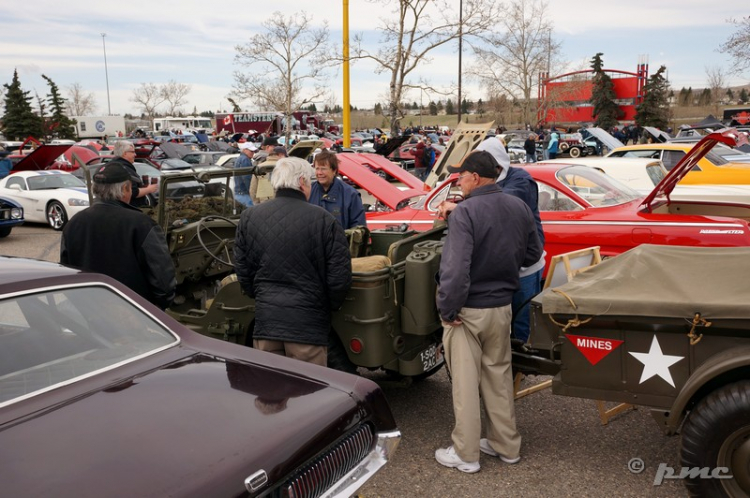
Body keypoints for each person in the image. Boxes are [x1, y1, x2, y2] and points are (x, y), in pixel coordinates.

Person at [434, 151, 543, 474]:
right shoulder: (517, 206)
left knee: (465, 385)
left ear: (476, 178)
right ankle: (506, 445)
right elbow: (533, 253)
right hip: (501, 306)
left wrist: (447, 308)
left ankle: (466, 453)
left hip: (467, 310)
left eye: (461, 175)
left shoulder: (465, 212)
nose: (458, 180)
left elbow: (456, 268)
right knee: (497, 377)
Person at [234, 157, 352, 367]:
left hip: (266, 321)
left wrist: (259, 294)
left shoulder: (249, 217)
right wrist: (327, 306)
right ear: (301, 183)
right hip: (308, 326)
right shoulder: (325, 220)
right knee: (309, 391)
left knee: (270, 391)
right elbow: (339, 277)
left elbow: (243, 269)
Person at [60, 163, 176, 309]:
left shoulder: (73, 224)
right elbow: (162, 275)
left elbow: (67, 271)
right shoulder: (142, 224)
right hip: (135, 311)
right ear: (125, 189)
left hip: (89, 311)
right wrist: (161, 305)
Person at [475, 137, 546, 343]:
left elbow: (504, 204)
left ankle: (519, 370)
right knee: (503, 322)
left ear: (497, 164)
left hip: (526, 265)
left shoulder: (520, 180)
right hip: (503, 265)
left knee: (522, 322)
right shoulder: (487, 184)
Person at [309, 149, 367, 229]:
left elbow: (359, 228)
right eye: (317, 168)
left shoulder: (351, 195)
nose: (319, 172)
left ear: (334, 170)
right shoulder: (308, 191)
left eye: (323, 169)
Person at [109, 141, 158, 207]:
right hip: (130, 209)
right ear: (125, 153)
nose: (135, 154)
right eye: (133, 152)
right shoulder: (125, 169)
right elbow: (132, 192)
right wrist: (149, 189)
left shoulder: (112, 166)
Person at [234, 143, 257, 207]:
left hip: (239, 193)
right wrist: (251, 192)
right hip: (245, 194)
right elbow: (247, 178)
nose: (253, 153)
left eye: (253, 151)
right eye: (251, 151)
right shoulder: (245, 160)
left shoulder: (240, 158)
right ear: (244, 150)